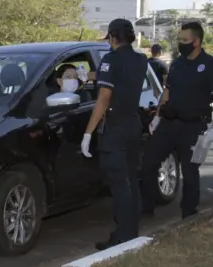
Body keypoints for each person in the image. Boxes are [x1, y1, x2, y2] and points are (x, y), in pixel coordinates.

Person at [80, 18, 148, 250]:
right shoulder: (141, 59)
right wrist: (96, 77)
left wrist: (88, 133)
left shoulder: (110, 59)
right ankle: (132, 231)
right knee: (131, 181)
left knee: (119, 185)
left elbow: (104, 98)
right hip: (133, 123)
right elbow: (124, 82)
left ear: (112, 37)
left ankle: (123, 237)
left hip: (116, 128)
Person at [141, 22, 213, 219]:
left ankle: (189, 213)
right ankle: (146, 206)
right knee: (148, 163)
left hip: (194, 127)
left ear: (196, 42)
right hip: (168, 123)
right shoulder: (177, 63)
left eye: (184, 40)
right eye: (179, 40)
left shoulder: (209, 65)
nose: (180, 43)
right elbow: (167, 90)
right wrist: (157, 116)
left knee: (190, 172)